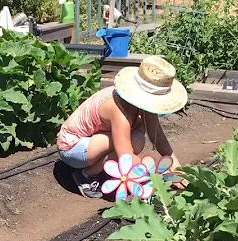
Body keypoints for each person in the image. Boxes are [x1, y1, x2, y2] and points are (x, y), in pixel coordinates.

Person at [56, 55, 187, 198]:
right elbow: (125, 156)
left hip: (94, 142)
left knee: (136, 139)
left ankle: (96, 168)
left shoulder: (141, 104)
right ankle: (86, 176)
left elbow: (158, 136)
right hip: (72, 148)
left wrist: (176, 167)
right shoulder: (117, 109)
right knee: (131, 142)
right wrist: (159, 172)